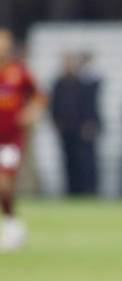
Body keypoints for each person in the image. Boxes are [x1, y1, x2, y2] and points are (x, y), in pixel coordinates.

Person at [0, 28, 45, 251]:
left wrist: (32, 111)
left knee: (4, 183)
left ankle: (11, 223)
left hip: (10, 138)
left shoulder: (19, 72)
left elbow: (38, 95)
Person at [51, 52, 101, 195]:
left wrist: (90, 123)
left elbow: (89, 106)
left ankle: (88, 190)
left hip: (81, 129)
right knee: (68, 161)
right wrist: (57, 122)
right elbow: (54, 106)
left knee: (84, 161)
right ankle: (71, 190)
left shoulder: (83, 83)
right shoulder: (59, 83)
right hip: (66, 129)